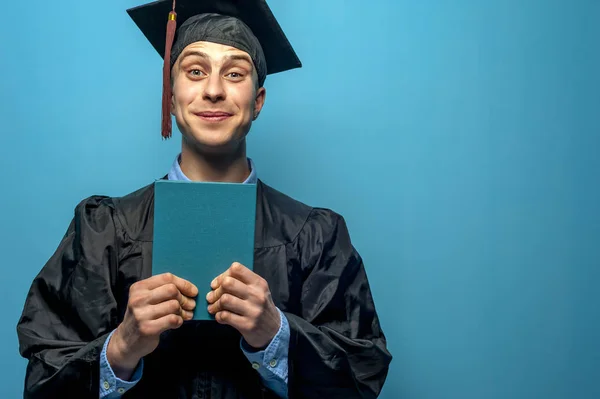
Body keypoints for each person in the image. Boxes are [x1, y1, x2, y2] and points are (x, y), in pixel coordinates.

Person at [16, 0, 392, 398]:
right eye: (195, 72)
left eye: (234, 74)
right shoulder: (105, 230)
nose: (213, 90)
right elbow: (44, 382)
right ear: (171, 95)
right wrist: (122, 347)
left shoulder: (316, 236)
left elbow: (361, 377)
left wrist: (276, 334)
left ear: (258, 101)